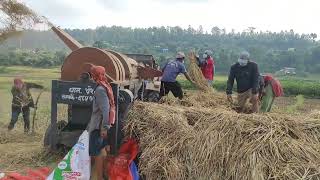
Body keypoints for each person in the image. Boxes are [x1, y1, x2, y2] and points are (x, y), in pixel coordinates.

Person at [87, 65, 116, 180]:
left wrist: (104, 127)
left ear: (94, 76)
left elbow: (106, 110)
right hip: (102, 124)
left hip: (98, 126)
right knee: (103, 150)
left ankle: (99, 177)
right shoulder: (105, 86)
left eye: (92, 75)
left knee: (98, 152)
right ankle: (104, 174)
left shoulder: (99, 90)